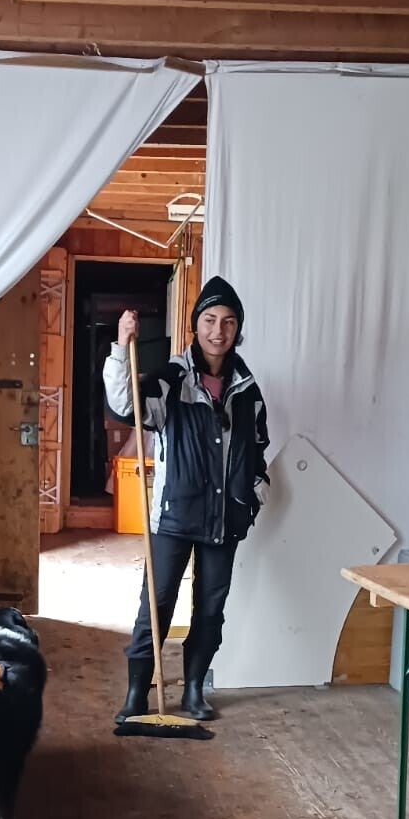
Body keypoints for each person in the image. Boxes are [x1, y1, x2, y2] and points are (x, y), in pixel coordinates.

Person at [103, 276, 270, 723]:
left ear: (237, 329)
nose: (219, 330)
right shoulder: (172, 380)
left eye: (229, 322)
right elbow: (125, 407)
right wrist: (121, 348)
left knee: (211, 609)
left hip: (225, 519)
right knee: (156, 606)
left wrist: (252, 497)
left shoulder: (247, 390)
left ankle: (194, 689)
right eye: (210, 320)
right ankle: (137, 693)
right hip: (175, 515)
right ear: (196, 325)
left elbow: (258, 451)